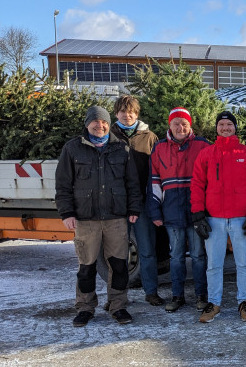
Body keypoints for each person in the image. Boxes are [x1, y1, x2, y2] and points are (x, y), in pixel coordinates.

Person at [55, 106, 142, 327]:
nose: (99, 125)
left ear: (108, 123)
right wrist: (67, 213)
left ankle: (118, 306)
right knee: (87, 267)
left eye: (103, 122)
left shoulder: (121, 149)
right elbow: (63, 185)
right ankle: (85, 308)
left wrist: (133, 209)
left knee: (119, 266)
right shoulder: (73, 149)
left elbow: (132, 182)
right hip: (86, 219)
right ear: (87, 124)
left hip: (116, 218)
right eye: (95, 122)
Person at [191, 111, 246, 323]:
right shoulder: (207, 154)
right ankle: (214, 303)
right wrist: (197, 215)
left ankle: (244, 301)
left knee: (243, 263)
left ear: (235, 128)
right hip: (214, 219)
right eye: (221, 124)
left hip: (242, 217)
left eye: (229, 124)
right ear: (217, 128)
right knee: (214, 264)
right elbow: (197, 185)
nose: (225, 128)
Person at [146, 107, 211, 312]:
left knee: (199, 255)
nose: (180, 127)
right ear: (170, 125)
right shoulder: (159, 148)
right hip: (172, 212)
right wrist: (155, 211)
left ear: (189, 125)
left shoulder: (203, 145)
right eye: (176, 123)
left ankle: (201, 295)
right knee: (176, 256)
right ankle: (177, 296)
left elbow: (214, 179)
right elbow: (154, 182)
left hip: (197, 211)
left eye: (184, 123)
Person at [109, 95, 162, 307]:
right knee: (115, 253)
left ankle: (151, 292)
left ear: (137, 114)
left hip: (142, 203)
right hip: (117, 203)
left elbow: (159, 170)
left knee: (147, 250)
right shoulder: (109, 136)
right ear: (116, 113)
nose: (127, 114)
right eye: (123, 110)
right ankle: (116, 296)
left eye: (131, 111)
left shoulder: (150, 137)